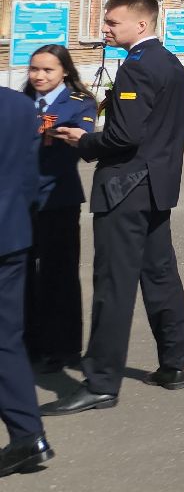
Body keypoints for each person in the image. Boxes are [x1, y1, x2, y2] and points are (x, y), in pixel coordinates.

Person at [42, 0, 184, 416]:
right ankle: (172, 365)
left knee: (113, 286)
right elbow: (183, 122)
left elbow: (122, 137)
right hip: (156, 188)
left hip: (124, 189)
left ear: (140, 25)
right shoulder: (169, 63)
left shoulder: (138, 68)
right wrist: (160, 159)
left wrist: (83, 141)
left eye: (112, 23)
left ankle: (101, 383)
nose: (104, 29)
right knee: (160, 275)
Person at [23, 47, 91, 374]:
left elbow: (76, 147)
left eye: (48, 70)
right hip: (20, 204)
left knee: (58, 275)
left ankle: (63, 348)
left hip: (57, 201)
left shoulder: (79, 103)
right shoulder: (21, 101)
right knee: (21, 274)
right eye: (34, 69)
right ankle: (30, 343)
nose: (39, 76)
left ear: (64, 71)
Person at [1, 82, 54, 475]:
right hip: (14, 236)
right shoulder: (21, 107)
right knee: (7, 340)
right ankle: (28, 436)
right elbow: (32, 177)